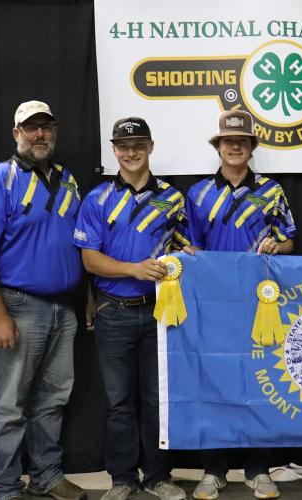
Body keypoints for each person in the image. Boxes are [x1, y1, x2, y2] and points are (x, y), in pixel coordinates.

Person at [0, 100, 86, 500]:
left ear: (54, 131)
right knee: (10, 403)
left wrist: (84, 300)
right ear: (16, 133)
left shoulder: (68, 180)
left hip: (62, 308)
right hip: (15, 306)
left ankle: (46, 476)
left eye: (46, 127)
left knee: (53, 399)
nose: (40, 135)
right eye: (31, 128)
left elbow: (76, 246)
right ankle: (5, 485)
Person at [176, 109, 296, 500]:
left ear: (250, 147)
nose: (234, 146)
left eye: (241, 141)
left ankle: (258, 467)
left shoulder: (272, 190)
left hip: (261, 303)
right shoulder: (197, 194)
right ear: (219, 146)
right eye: (228, 141)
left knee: (260, 380)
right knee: (214, 379)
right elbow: (187, 246)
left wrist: (279, 245)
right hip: (213, 304)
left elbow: (290, 240)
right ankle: (214, 469)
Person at [73, 117, 187, 500]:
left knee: (158, 400)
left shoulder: (173, 198)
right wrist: (133, 269)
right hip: (114, 312)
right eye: (123, 146)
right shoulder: (96, 198)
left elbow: (187, 250)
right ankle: (122, 479)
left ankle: (158, 477)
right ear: (113, 150)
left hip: (160, 312)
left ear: (151, 146)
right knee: (119, 402)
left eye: (138, 144)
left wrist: (187, 255)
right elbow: (89, 260)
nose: (131, 152)